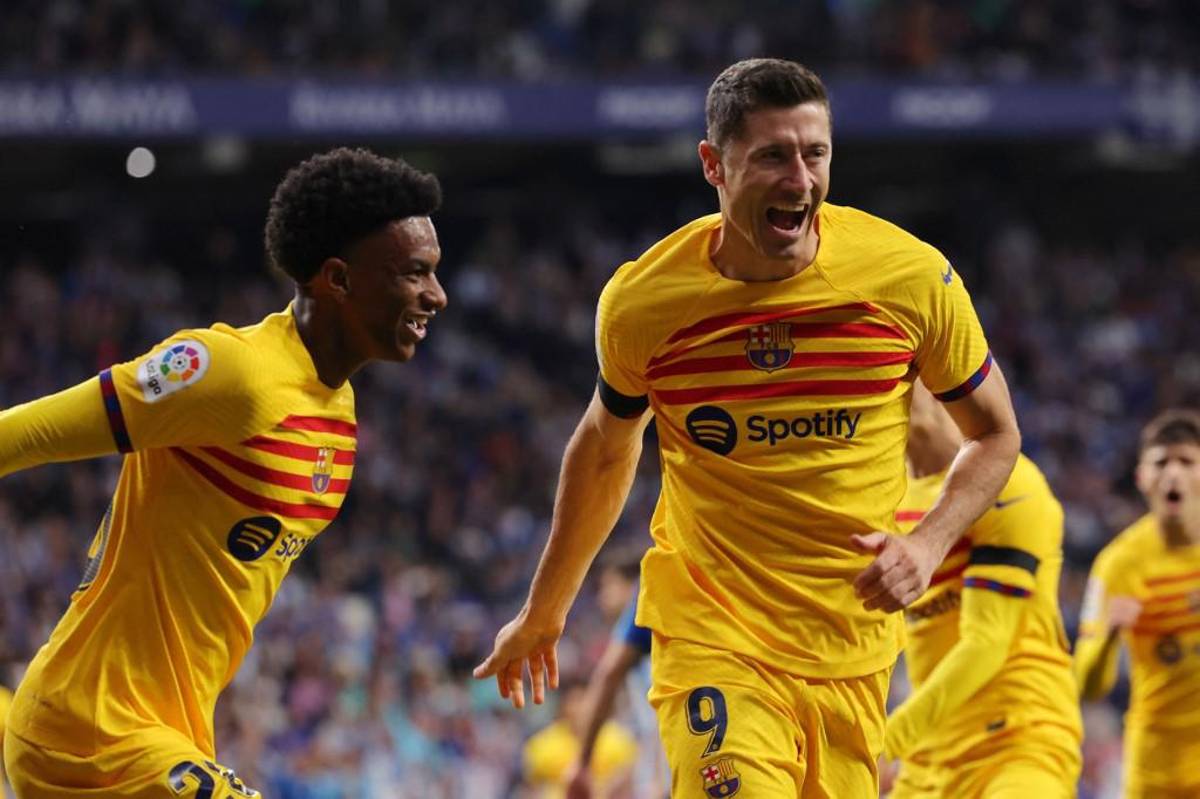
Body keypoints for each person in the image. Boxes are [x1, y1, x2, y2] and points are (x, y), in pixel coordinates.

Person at [475, 57, 1021, 797]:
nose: (800, 179)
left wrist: (927, 543)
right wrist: (545, 610)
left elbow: (995, 435)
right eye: (772, 155)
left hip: (851, 650)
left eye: (815, 153)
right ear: (714, 165)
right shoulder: (646, 303)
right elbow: (605, 450)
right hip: (713, 630)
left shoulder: (910, 278)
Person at [0, 147, 447, 797]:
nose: (437, 294)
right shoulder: (226, 371)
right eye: (415, 272)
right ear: (338, 279)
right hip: (88, 726)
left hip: (171, 736)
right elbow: (21, 432)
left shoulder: (338, 411)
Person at [882, 383, 1081, 798]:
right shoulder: (882, 499)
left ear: (934, 380)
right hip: (928, 759)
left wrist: (886, 739)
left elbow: (986, 642)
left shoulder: (1007, 481)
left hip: (1019, 743)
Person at [1074, 409, 1200, 799]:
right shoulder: (1118, 564)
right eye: (1162, 463)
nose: (1173, 474)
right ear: (1142, 478)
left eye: (1187, 461)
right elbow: (1088, 685)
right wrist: (1110, 634)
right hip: (1155, 771)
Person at [564, 584, 665, 799]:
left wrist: (581, 763)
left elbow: (608, 675)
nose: (603, 598)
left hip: (678, 766)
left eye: (608, 586)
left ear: (626, 584)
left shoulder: (658, 583)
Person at [521, 678, 638, 799]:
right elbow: (532, 789)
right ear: (564, 706)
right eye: (574, 702)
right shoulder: (543, 744)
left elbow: (626, 784)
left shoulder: (618, 740)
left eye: (584, 701)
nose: (579, 709)